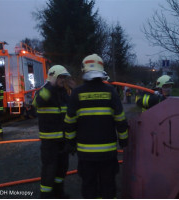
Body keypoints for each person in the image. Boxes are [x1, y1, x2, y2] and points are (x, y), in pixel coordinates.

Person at [64, 54, 128, 199]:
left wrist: (70, 142)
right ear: (102, 69)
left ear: (84, 70)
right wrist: (124, 140)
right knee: (108, 185)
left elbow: (69, 122)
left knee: (89, 185)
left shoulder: (77, 93)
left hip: (85, 153)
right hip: (108, 152)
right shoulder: (111, 92)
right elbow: (121, 120)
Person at [32, 65, 75, 199]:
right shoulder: (45, 91)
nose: (63, 80)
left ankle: (58, 193)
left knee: (62, 169)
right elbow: (36, 102)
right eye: (61, 77)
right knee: (49, 171)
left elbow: (72, 110)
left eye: (64, 78)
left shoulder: (63, 93)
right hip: (49, 142)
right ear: (54, 76)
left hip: (63, 141)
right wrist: (50, 85)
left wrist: (75, 90)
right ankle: (45, 196)